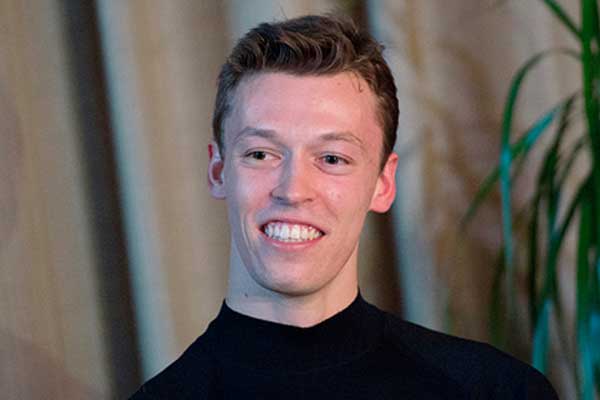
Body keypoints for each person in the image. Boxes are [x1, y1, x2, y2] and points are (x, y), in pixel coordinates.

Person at [130, 14, 558, 399]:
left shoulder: (499, 391)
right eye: (261, 154)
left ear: (383, 184)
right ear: (219, 170)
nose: (293, 190)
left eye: (332, 158)